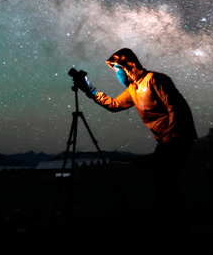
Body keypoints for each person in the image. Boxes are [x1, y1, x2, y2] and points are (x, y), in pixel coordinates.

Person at [76, 48, 197, 239]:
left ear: (129, 66)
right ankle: (173, 224)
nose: (117, 72)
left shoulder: (155, 80)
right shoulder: (133, 89)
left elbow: (176, 107)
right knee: (163, 182)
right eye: (115, 69)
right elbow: (115, 105)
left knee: (166, 182)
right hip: (164, 141)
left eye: (118, 68)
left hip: (175, 139)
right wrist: (91, 91)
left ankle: (178, 228)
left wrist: (174, 138)